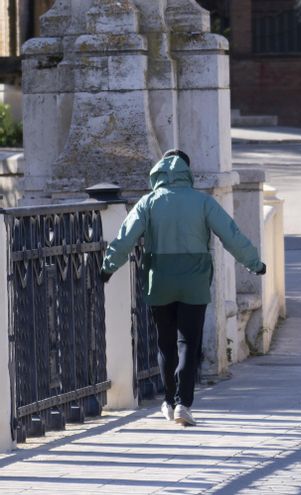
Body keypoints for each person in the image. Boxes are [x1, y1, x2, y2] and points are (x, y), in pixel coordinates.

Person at [100, 149, 266, 427]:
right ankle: (183, 404)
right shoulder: (202, 202)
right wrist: (255, 264)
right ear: (187, 173)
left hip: (160, 280)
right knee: (189, 342)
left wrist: (108, 267)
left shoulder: (148, 202)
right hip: (194, 282)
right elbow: (231, 234)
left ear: (159, 172)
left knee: (165, 344)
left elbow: (125, 237)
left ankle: (167, 400)